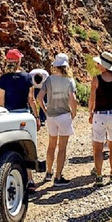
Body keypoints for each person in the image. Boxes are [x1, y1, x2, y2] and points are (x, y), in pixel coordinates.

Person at [0, 49, 40, 192]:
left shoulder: (3, 79)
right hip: (24, 115)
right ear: (19, 61)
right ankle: (30, 180)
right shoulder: (27, 77)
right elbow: (31, 100)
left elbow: (1, 103)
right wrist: (37, 117)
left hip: (8, 116)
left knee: (9, 147)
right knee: (27, 147)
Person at [36, 53, 78, 187]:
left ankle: (48, 172)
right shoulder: (69, 80)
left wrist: (45, 109)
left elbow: (39, 98)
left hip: (51, 116)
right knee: (62, 148)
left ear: (56, 66)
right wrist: (74, 112)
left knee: (51, 145)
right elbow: (73, 99)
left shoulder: (49, 79)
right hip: (64, 115)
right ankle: (58, 177)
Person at [88, 51, 112, 186]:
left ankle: (99, 176)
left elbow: (92, 98)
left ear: (103, 65)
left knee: (98, 148)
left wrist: (90, 112)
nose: (97, 65)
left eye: (99, 63)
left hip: (99, 115)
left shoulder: (96, 79)